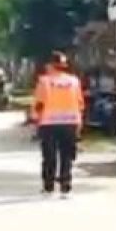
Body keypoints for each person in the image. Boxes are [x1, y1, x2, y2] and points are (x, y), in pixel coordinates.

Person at [33, 52, 85, 196]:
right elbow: (80, 103)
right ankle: (65, 186)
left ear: (50, 65)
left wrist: (35, 120)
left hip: (48, 123)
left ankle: (49, 187)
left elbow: (39, 104)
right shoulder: (74, 82)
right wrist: (79, 123)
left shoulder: (44, 81)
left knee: (49, 156)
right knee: (66, 155)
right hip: (70, 122)